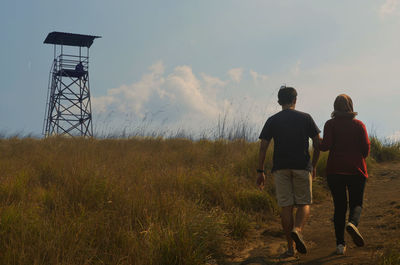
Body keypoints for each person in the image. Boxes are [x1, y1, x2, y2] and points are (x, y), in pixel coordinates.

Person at [257, 86, 320, 257]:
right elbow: (317, 143)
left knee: (286, 207)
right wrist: (313, 165)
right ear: (295, 100)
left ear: (279, 102)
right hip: (301, 166)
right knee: (304, 203)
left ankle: (290, 249)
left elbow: (263, 147)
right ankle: (298, 229)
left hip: (280, 168)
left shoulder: (272, 120)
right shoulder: (306, 118)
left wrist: (260, 171)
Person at [320, 94, 370, 255]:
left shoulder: (330, 124)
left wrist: (317, 141)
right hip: (356, 170)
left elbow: (325, 146)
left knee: (339, 207)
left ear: (335, 107)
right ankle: (353, 223)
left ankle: (340, 245)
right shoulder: (359, 125)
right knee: (356, 203)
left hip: (335, 170)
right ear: (351, 106)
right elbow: (366, 150)